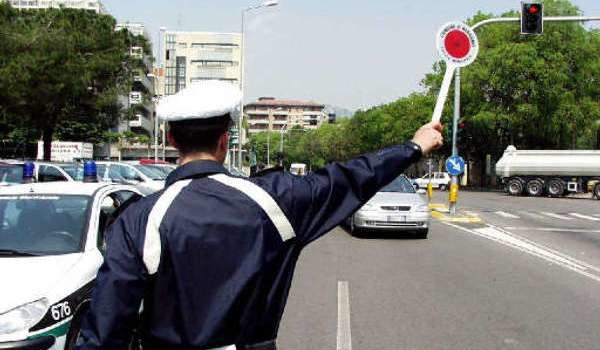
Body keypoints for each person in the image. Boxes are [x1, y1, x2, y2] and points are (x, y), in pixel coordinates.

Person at [76, 81, 443, 350]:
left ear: (172, 141)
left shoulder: (140, 219)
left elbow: (106, 326)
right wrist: (413, 147)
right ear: (225, 141)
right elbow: (350, 177)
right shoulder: (275, 200)